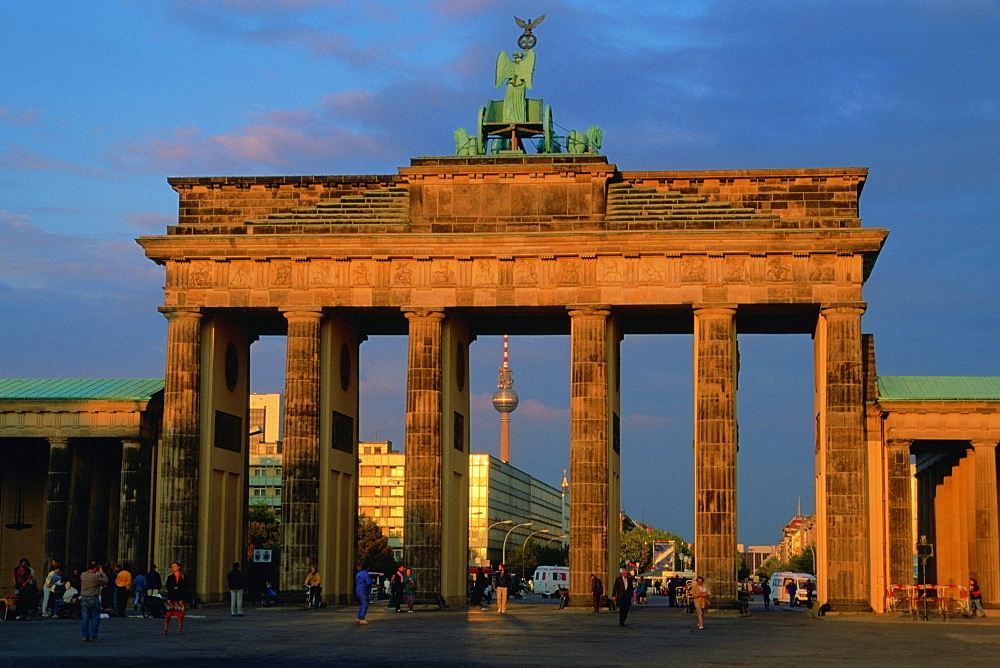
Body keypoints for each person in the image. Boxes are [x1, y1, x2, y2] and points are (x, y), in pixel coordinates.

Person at [80, 561, 108, 641]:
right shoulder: (95, 577)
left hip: (84, 597)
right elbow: (105, 581)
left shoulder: (82, 575)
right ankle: (93, 635)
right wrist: (102, 573)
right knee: (95, 616)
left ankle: (84, 635)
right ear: (95, 568)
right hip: (93, 597)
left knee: (85, 617)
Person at [163, 561, 189, 635]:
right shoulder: (170, 577)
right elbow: (167, 586)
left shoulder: (184, 577)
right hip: (172, 597)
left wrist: (179, 588)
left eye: (174, 566)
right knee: (168, 615)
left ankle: (180, 629)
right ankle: (165, 628)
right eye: (172, 566)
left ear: (178, 567)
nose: (173, 568)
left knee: (180, 615)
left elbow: (186, 586)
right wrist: (173, 588)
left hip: (180, 598)